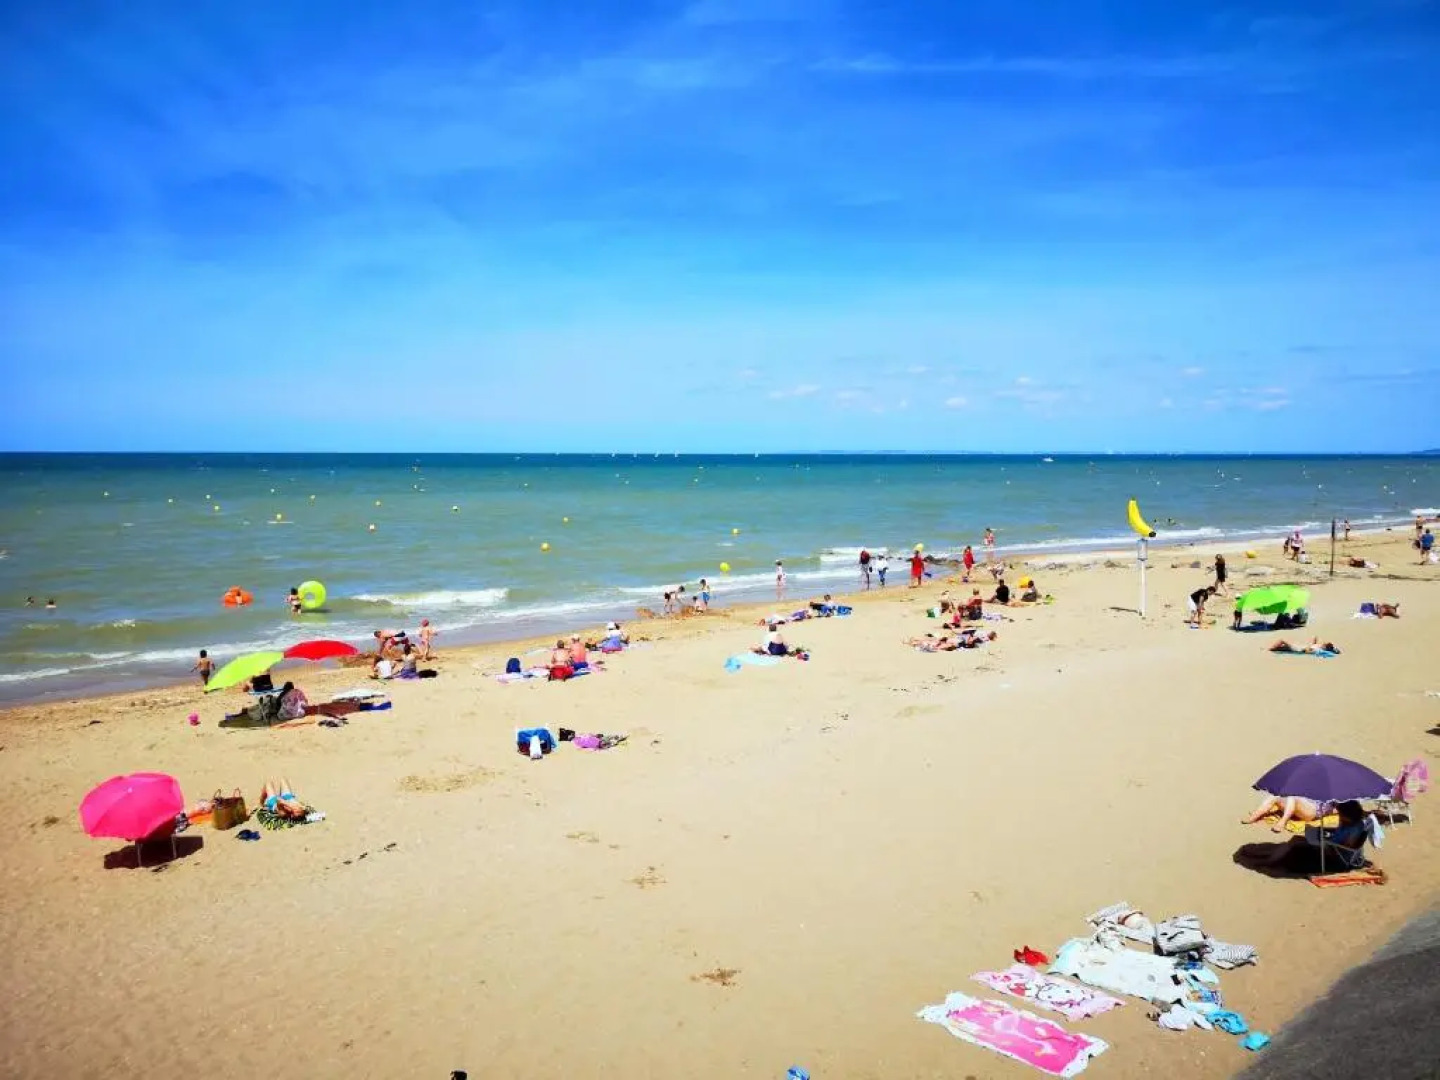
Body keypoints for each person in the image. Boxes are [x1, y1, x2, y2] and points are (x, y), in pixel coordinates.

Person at [1242, 793, 1331, 831]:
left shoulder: (1329, 787)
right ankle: (1254, 816)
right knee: (1276, 795)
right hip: (1301, 805)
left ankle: (1282, 822)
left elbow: (1330, 807)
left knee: (1292, 798)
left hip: (1313, 811)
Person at [1269, 638, 1339, 655]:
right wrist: (1314, 642)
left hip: (1298, 649)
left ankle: (1270, 649)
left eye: (1326, 644)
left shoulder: (1318, 649)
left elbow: (1308, 650)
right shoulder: (1318, 646)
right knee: (1282, 647)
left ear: (1326, 647)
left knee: (1282, 641)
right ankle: (1273, 649)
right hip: (1298, 648)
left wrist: (1308, 648)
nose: (1324, 643)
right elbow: (1313, 646)